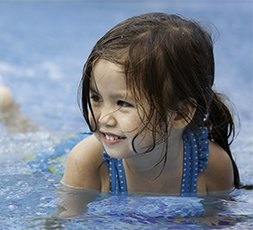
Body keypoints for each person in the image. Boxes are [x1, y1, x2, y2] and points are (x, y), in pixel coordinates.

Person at [62, 12, 242, 199]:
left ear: (180, 113)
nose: (104, 119)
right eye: (96, 98)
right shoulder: (86, 162)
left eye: (123, 103)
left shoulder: (211, 166)